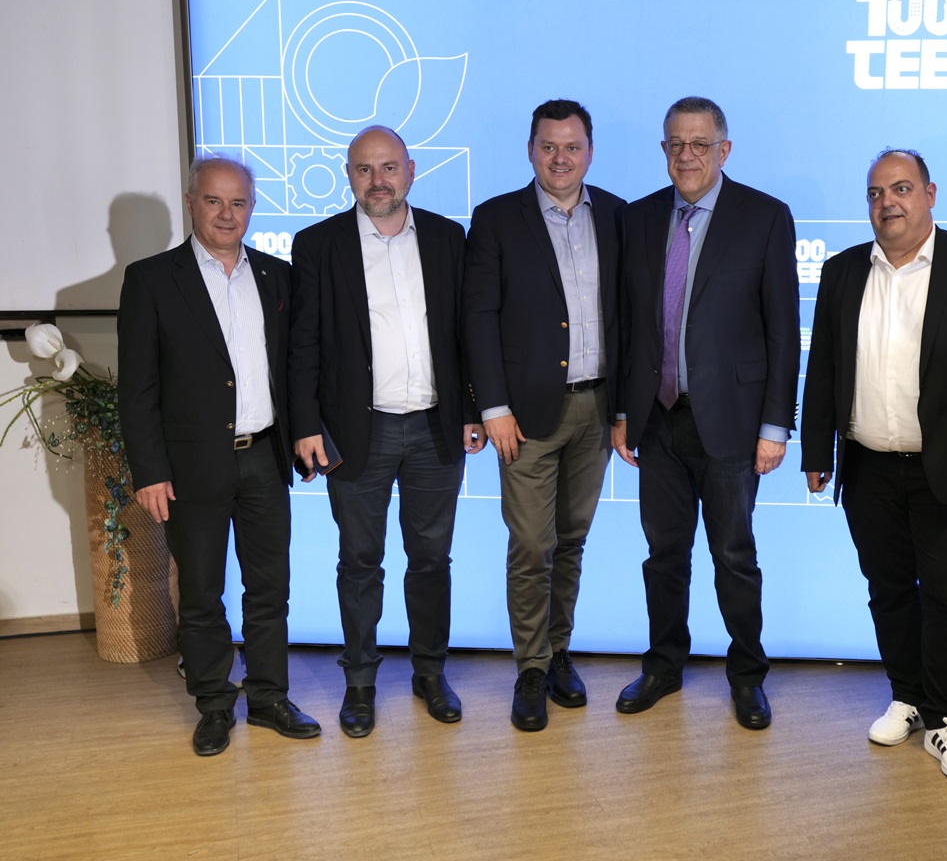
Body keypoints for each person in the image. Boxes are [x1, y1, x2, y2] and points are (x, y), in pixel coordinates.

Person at [801, 148, 947, 782]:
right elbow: (824, 368)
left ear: (930, 194)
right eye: (875, 194)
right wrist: (816, 449)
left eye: (901, 189)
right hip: (868, 468)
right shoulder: (843, 270)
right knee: (890, 590)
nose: (888, 203)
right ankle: (906, 695)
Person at [118, 155, 320, 756]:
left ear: (252, 208)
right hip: (190, 468)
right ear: (191, 203)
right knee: (202, 593)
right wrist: (150, 471)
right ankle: (212, 703)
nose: (227, 214)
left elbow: (294, 369)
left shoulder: (277, 277)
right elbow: (138, 388)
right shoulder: (152, 280)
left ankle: (269, 698)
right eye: (214, 201)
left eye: (238, 203)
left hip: (264, 457)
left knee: (270, 589)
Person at [288, 126, 484, 739]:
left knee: (431, 560)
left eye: (389, 167)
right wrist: (305, 426)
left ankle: (430, 673)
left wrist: (473, 409)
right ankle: (360, 683)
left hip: (434, 428)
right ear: (349, 176)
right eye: (364, 169)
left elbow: (466, 335)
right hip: (356, 433)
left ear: (411, 170)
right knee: (359, 562)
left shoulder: (448, 238)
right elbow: (303, 346)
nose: (378, 181)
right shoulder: (318, 245)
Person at [613, 96, 799, 730]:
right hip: (658, 420)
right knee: (663, 556)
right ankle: (663, 666)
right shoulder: (639, 218)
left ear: (724, 149)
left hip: (734, 423)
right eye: (675, 144)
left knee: (734, 557)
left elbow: (782, 330)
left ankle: (747, 676)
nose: (686, 155)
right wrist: (623, 411)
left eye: (700, 144)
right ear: (664, 150)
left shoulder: (765, 217)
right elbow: (628, 327)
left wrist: (775, 425)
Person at [463, 100, 625, 731]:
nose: (561, 158)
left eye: (572, 147)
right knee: (532, 545)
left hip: (598, 407)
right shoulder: (496, 218)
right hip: (524, 417)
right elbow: (478, 319)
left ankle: (559, 653)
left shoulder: (618, 215)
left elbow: (631, 317)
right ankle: (530, 667)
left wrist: (625, 410)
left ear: (590, 152)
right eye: (549, 147)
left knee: (572, 540)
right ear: (531, 150)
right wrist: (493, 407)